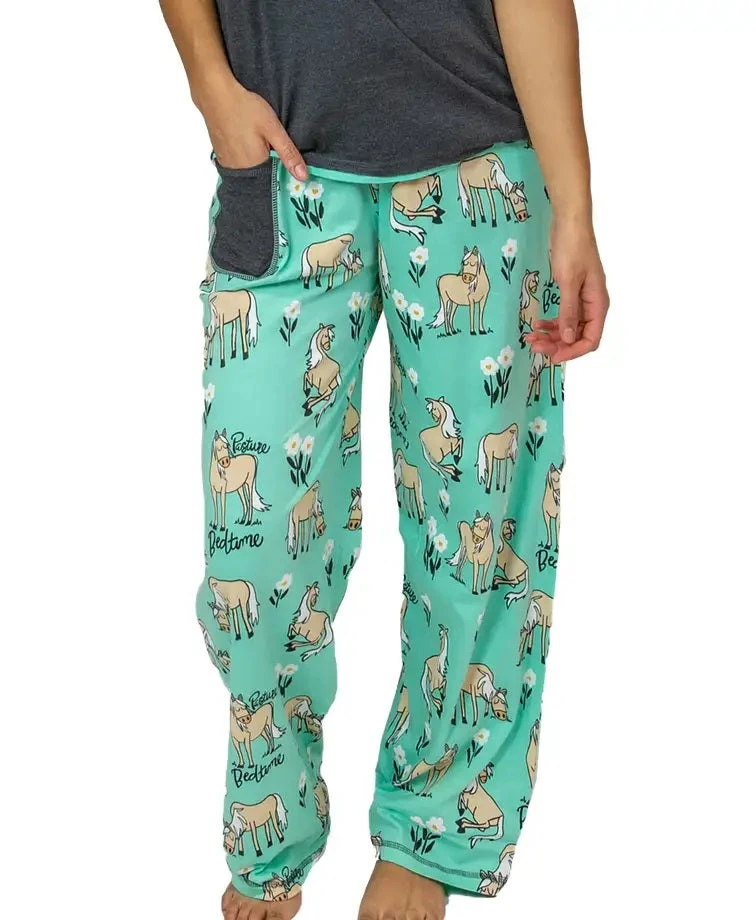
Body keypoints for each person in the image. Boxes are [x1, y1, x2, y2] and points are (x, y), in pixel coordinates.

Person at [159, 2, 609, 917]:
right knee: (257, 551)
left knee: (476, 528)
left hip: (479, 161)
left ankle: (434, 826)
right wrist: (210, 85)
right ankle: (271, 811)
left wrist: (573, 205)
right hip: (282, 166)